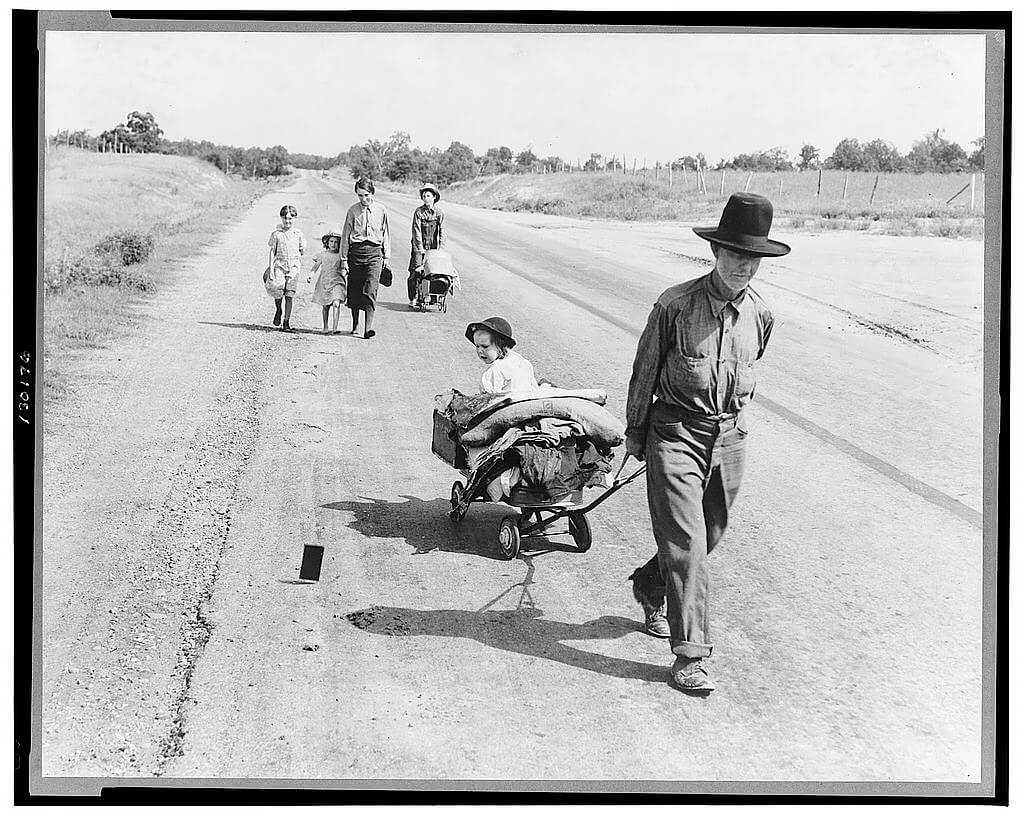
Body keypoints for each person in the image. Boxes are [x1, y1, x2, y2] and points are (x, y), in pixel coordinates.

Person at [624, 192, 790, 695]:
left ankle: (651, 585)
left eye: (753, 258)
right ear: (715, 252)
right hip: (674, 433)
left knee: (709, 534)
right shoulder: (674, 304)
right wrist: (635, 432)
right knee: (688, 544)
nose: (744, 266)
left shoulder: (761, 314)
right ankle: (690, 656)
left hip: (730, 437)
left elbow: (751, 368)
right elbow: (644, 372)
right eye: (736, 254)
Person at [339, 178, 391, 339]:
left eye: (366, 195)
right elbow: (346, 235)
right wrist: (343, 259)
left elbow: (386, 233)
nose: (363, 199)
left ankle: (368, 329)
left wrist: (386, 256)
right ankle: (355, 324)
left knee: (371, 289)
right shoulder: (352, 210)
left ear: (372, 193)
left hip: (375, 253)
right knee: (354, 290)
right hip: (356, 253)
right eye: (360, 195)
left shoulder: (381, 210)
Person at [465, 317, 540, 393]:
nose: (479, 351)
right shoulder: (522, 361)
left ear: (501, 345)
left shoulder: (494, 371)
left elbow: (492, 400)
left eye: (485, 346)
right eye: (477, 346)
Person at [265, 205, 306, 331]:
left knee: (289, 295)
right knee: (278, 292)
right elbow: (272, 251)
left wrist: (300, 250)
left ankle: (286, 322)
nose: (287, 221)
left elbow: (302, 250)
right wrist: (271, 268)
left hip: (293, 268)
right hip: (280, 266)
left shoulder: (298, 234)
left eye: (290, 218)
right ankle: (278, 309)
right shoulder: (277, 234)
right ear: (281, 218)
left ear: (294, 218)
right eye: (285, 218)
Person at [408, 183, 446, 307]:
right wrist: (420, 249)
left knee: (434, 271)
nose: (426, 198)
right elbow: (416, 231)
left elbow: (442, 232)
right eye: (424, 196)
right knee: (416, 271)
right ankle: (414, 297)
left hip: (433, 247)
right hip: (418, 246)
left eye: (428, 196)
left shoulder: (439, 213)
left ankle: (433, 297)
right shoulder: (418, 212)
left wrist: (441, 249)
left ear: (434, 197)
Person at [308, 231, 346, 334]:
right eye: (331, 242)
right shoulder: (323, 255)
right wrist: (311, 275)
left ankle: (335, 327)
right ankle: (325, 326)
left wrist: (345, 271)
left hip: (337, 281)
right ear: (327, 243)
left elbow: (345, 267)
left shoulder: (341, 256)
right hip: (325, 282)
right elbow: (315, 267)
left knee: (336, 303)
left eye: (336, 242)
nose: (333, 244)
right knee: (325, 306)